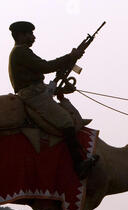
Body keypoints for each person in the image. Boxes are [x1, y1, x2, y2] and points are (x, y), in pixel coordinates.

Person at [8, 21, 98, 180]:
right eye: (29, 34)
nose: (33, 37)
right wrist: (70, 57)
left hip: (37, 92)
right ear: (21, 35)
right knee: (66, 121)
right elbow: (45, 67)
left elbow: (41, 75)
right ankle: (79, 165)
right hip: (33, 95)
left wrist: (60, 90)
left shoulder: (21, 52)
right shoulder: (20, 52)